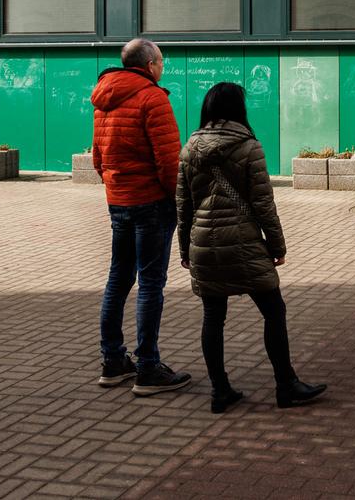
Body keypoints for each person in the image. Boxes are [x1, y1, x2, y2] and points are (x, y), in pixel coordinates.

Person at [177, 82, 327, 413]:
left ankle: (220, 391)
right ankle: (286, 386)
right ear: (237, 110)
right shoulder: (249, 147)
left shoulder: (188, 150)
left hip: (203, 244)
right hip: (244, 242)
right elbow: (263, 204)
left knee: (213, 317)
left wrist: (185, 248)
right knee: (274, 310)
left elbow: (183, 205)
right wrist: (277, 246)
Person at [91, 38, 191, 395]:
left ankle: (113, 361)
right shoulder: (153, 97)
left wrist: (117, 187)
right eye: (161, 61)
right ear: (150, 65)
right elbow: (168, 162)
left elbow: (98, 158)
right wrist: (175, 199)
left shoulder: (103, 99)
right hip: (151, 202)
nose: (162, 67)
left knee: (118, 279)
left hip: (118, 201)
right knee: (150, 283)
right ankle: (148, 367)